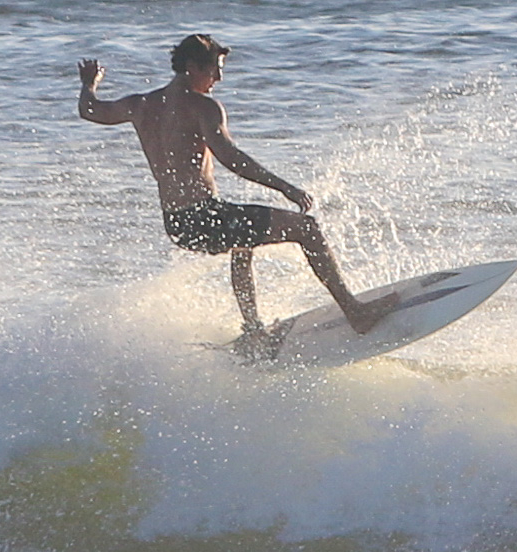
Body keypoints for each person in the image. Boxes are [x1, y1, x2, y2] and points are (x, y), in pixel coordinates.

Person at [77, 34, 398, 353]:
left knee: (243, 241)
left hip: (177, 224)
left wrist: (89, 83)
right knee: (307, 228)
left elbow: (91, 110)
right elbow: (230, 157)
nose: (219, 77)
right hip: (204, 216)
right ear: (190, 67)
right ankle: (356, 313)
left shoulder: (141, 105)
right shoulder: (203, 107)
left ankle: (253, 328)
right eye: (213, 69)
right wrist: (284, 186)